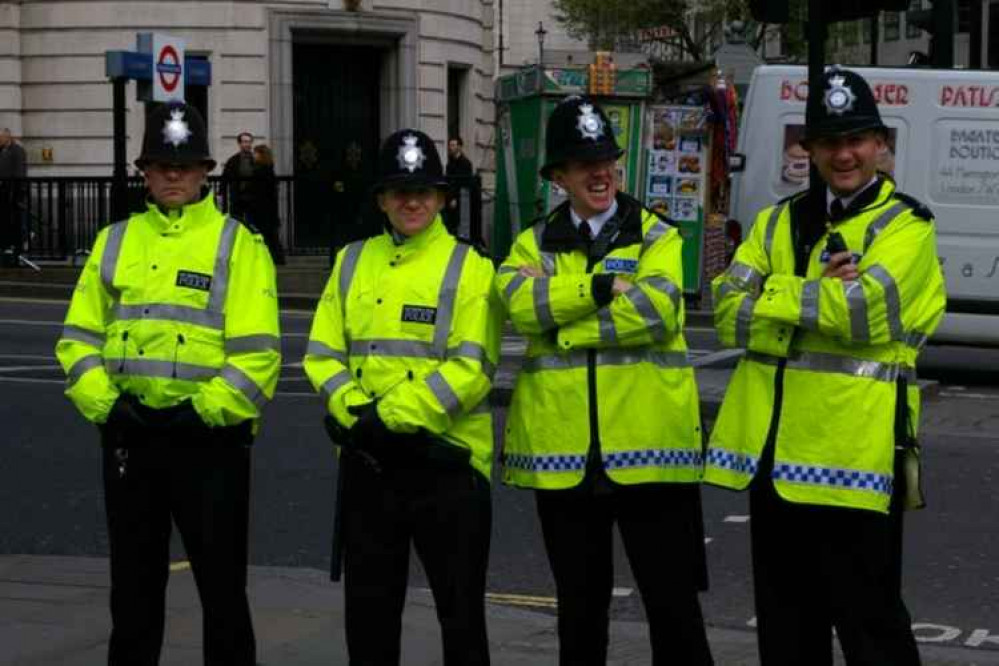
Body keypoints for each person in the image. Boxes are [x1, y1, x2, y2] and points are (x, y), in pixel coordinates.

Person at [705, 67, 946, 666]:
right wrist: (814, 289)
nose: (844, 155)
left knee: (872, 627)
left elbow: (866, 315)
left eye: (857, 140)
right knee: (787, 631)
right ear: (807, 148)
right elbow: (726, 312)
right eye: (830, 142)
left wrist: (775, 293)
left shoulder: (906, 227)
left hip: (855, 460)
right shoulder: (773, 221)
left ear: (879, 144)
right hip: (773, 457)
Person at [54, 102, 281, 666]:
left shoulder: (239, 245)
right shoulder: (113, 241)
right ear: (144, 172)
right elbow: (77, 340)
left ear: (206, 171)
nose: (173, 176)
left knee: (223, 594)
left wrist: (201, 413)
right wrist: (108, 406)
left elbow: (257, 356)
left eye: (184, 166)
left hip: (211, 445)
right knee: (131, 595)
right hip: (131, 439)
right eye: (160, 165)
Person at [495, 96, 713, 666]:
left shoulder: (658, 236)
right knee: (579, 612)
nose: (600, 172)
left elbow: (657, 311)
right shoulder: (530, 243)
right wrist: (595, 291)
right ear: (557, 176)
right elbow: (519, 307)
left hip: (650, 451)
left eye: (607, 161)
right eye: (582, 163)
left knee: (674, 609)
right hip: (565, 459)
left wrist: (562, 326)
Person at [303, 128, 501, 665]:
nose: (411, 201)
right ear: (381, 200)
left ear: (442, 198)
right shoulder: (349, 261)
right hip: (370, 470)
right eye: (398, 191)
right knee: (368, 624)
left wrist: (384, 418)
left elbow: (473, 366)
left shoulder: (471, 267)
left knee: (461, 623)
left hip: (449, 469)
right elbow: (322, 354)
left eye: (423, 192)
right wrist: (355, 413)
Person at [249, 144, 286, 265]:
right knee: (270, 234)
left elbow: (259, 190)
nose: (253, 155)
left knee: (267, 234)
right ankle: (277, 257)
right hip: (267, 208)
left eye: (256, 153)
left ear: (261, 155)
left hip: (262, 207)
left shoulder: (261, 171)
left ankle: (275, 257)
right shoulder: (268, 169)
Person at [0, 128, 27, 266]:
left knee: (16, 222)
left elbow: (19, 172)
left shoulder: (17, 150)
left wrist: (18, 191)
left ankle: (16, 251)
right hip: (4, 194)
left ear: (7, 137)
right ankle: (6, 249)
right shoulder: (2, 150)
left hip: (13, 193)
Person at [222, 131, 255, 222]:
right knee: (236, 223)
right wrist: (222, 193)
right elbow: (224, 178)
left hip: (252, 198)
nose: (247, 144)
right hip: (237, 197)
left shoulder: (256, 160)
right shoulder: (233, 160)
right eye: (245, 142)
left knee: (251, 224)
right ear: (239, 144)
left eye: (249, 142)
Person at [443, 136, 473, 236]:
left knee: (459, 226)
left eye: (453, 145)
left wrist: (455, 198)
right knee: (450, 226)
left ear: (459, 147)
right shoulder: (449, 164)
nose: (450, 147)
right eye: (450, 145)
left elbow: (464, 183)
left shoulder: (466, 163)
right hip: (449, 199)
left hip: (460, 200)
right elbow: (448, 181)